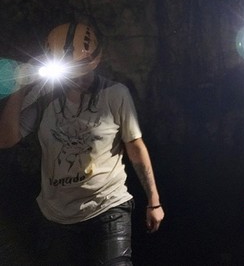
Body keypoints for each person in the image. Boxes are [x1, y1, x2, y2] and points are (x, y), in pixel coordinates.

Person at [0, 22, 164, 265]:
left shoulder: (115, 94)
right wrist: (19, 89)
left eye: (82, 68)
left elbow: (135, 146)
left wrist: (154, 201)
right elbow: (6, 139)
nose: (77, 78)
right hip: (58, 216)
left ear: (95, 61)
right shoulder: (44, 99)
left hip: (109, 205)